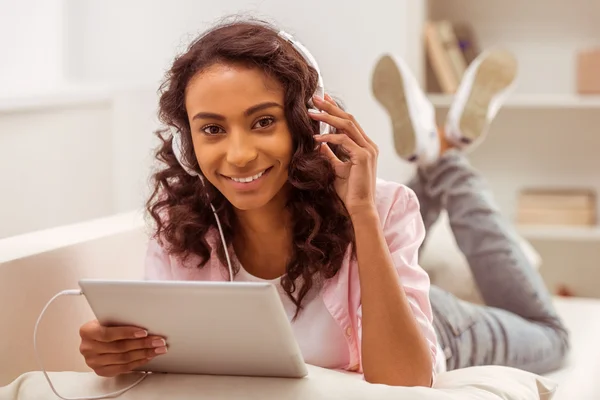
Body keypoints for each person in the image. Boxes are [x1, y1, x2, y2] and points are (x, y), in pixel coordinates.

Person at [77, 19, 568, 386]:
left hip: (436, 326)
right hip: (391, 274)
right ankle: (434, 154)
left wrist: (364, 214)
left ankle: (446, 159)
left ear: (306, 122)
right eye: (212, 129)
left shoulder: (382, 208)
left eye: (264, 121)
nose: (240, 153)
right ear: (189, 143)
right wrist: (120, 351)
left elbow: (404, 381)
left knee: (551, 336)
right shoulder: (181, 228)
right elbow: (171, 357)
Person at [371, 50, 570, 374]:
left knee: (387, 258)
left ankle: (438, 154)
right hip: (423, 318)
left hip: (386, 306)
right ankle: (443, 152)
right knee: (552, 333)